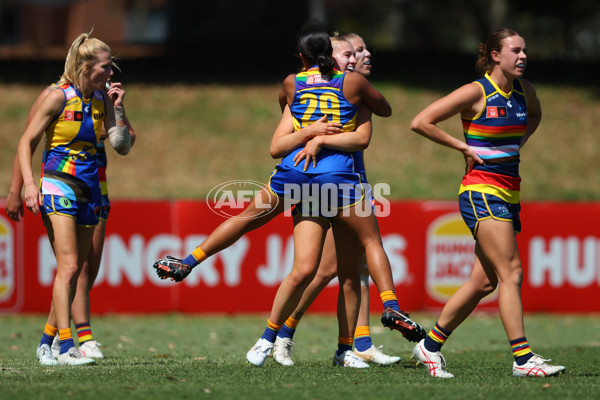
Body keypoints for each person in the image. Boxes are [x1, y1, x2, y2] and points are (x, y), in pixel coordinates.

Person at [154, 23, 423, 367]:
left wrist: (309, 130)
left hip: (295, 175)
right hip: (338, 179)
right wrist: (353, 109)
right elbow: (376, 120)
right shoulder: (353, 84)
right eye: (350, 53)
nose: (357, 57)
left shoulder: (291, 83)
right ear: (332, 55)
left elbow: (278, 141)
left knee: (271, 240)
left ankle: (192, 265)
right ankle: (391, 307)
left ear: (300, 56)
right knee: (367, 248)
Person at [409, 28, 565, 378]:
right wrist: (463, 147)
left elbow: (535, 116)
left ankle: (429, 345)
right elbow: (421, 121)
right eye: (516, 50)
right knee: (512, 272)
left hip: (510, 192)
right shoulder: (476, 91)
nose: (523, 56)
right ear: (495, 55)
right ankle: (523, 359)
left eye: (525, 50)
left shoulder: (526, 92)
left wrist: (514, 144)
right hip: (481, 191)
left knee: (484, 282)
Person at [271, 33, 403, 367]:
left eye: (363, 48)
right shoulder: (331, 87)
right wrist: (313, 139)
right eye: (356, 50)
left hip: (353, 182)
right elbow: (295, 125)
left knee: (355, 268)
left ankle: (360, 343)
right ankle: (283, 334)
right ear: (335, 58)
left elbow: (362, 138)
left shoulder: (358, 93)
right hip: (327, 185)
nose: (365, 54)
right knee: (324, 269)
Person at [18, 32, 131, 366]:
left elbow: (121, 145)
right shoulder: (57, 97)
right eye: (106, 67)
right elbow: (26, 142)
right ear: (85, 67)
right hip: (58, 186)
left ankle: (45, 343)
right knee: (67, 267)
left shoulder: (101, 99)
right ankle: (67, 347)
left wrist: (119, 109)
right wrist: (28, 184)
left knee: (75, 269)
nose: (111, 73)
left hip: (90, 189)